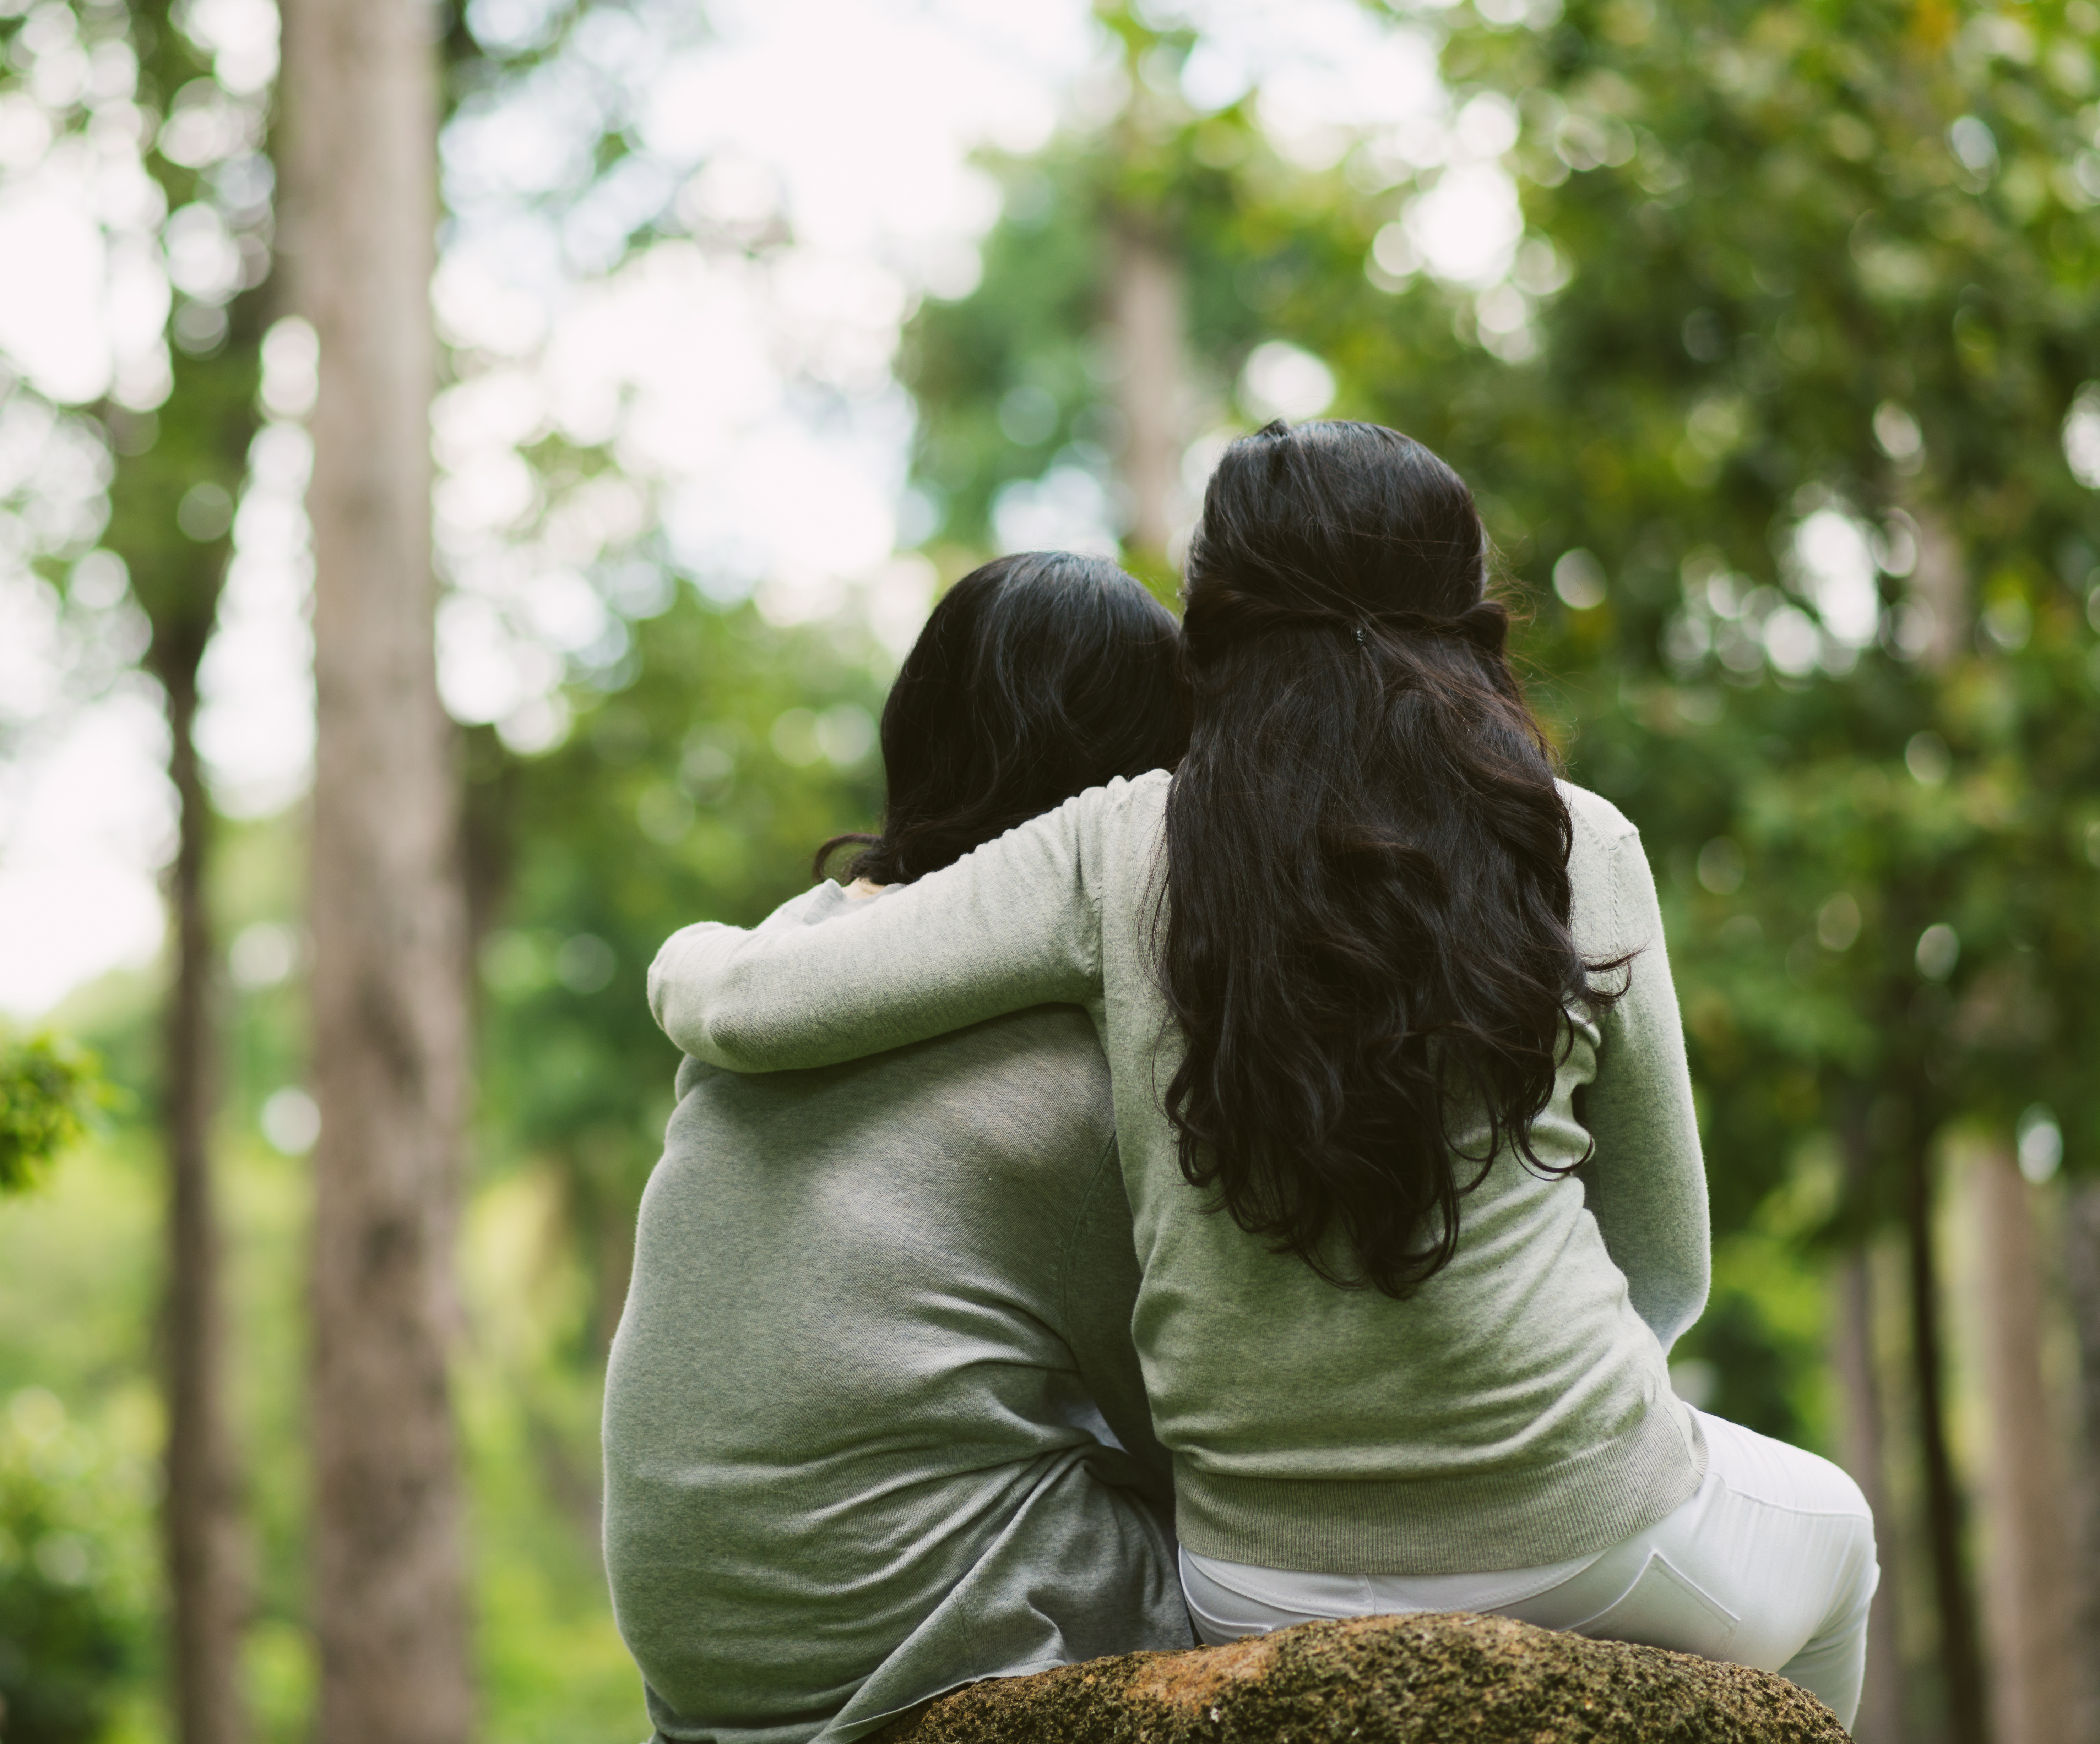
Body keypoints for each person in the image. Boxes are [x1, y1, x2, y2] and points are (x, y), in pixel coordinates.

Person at [647, 421, 1878, 1722]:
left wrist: (688, 955)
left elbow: (750, 1003)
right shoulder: (1575, 844)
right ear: (1470, 623)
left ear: (1213, 633)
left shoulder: (1118, 847)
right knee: (1840, 1536)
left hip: (1252, 1577)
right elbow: (1664, 1263)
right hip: (1584, 1526)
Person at [602, 551, 1200, 1744]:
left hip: (701, 1669)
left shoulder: (792, 947)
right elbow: (1179, 1414)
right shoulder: (1057, 1067)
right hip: (912, 1647)